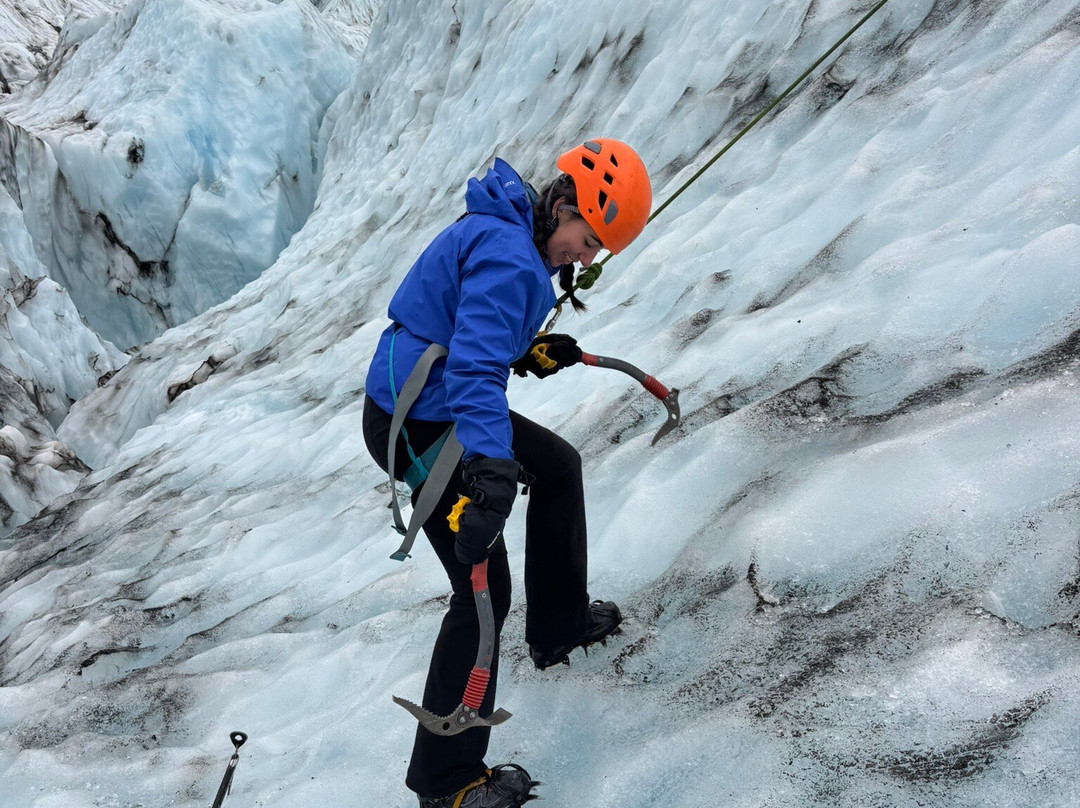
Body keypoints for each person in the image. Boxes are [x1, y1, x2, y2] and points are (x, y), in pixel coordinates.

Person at [362, 139, 652, 808]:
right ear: (564, 205)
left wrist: (527, 348)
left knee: (557, 467)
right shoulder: (511, 256)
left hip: (434, 401)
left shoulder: (512, 231)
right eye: (588, 239)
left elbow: (474, 332)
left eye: (596, 250)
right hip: (423, 423)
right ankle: (449, 784)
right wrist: (491, 469)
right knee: (482, 591)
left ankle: (558, 625)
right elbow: (473, 371)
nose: (586, 257)